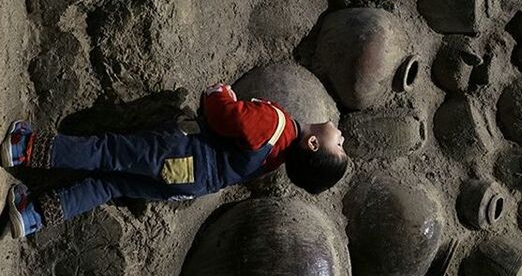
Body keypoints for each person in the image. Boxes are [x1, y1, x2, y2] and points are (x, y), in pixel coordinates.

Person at [0, 83, 348, 240]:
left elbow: (229, 117)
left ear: (314, 143)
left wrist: (219, 94)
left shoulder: (275, 124)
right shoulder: (275, 158)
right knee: (110, 184)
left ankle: (24, 148)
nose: (343, 139)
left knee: (106, 151)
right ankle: (33, 215)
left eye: (339, 147)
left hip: (180, 153)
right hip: (187, 183)